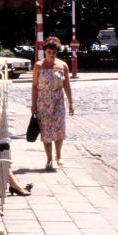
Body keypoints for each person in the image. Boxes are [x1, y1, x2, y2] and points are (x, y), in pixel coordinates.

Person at [31, 36, 74, 171]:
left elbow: (67, 85)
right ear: (45, 51)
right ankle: (49, 159)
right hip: (43, 102)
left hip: (58, 101)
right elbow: (34, 86)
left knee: (59, 128)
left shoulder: (62, 66)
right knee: (46, 131)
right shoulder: (38, 66)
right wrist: (33, 104)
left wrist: (71, 102)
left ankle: (59, 156)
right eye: (49, 52)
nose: (51, 54)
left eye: (54, 52)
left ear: (57, 52)